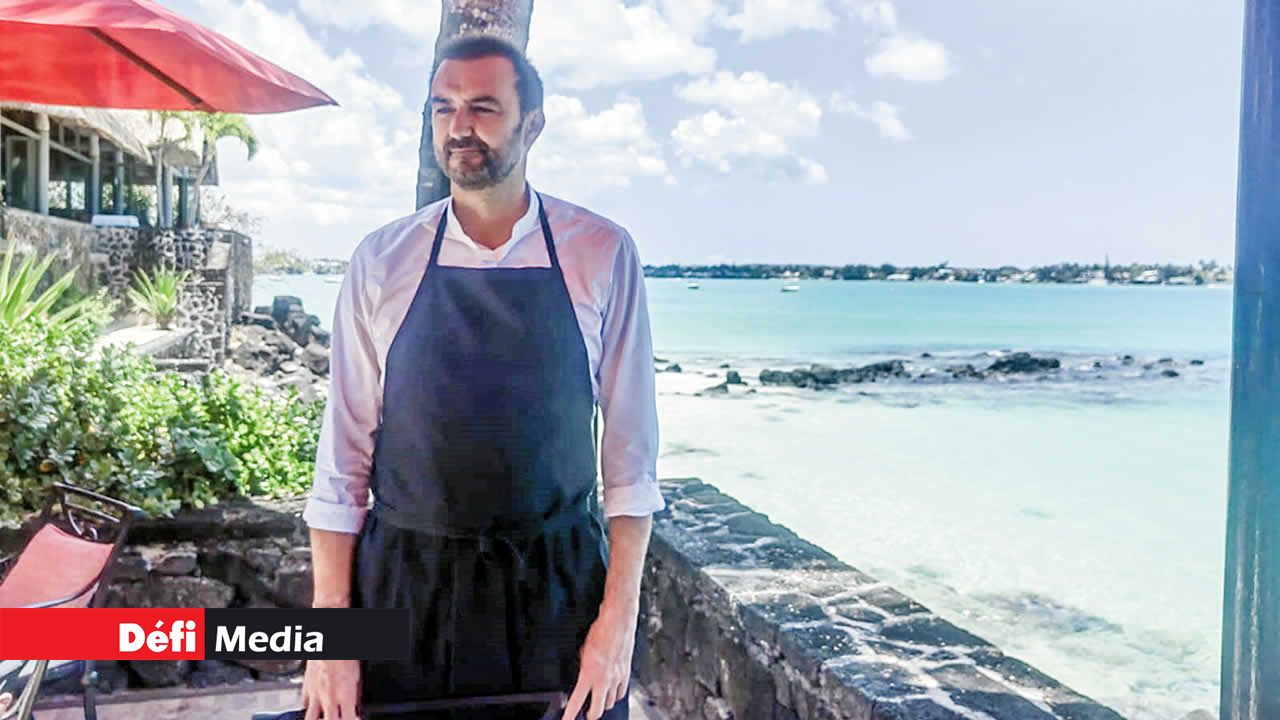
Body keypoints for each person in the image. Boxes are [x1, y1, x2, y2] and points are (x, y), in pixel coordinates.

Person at [299, 35, 664, 720]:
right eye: (443, 109)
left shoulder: (602, 253)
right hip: (404, 590)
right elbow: (342, 461)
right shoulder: (381, 260)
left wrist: (618, 624)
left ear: (533, 124)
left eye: (484, 108)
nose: (459, 127)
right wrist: (331, 639)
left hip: (558, 591)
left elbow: (631, 462)